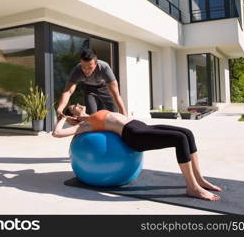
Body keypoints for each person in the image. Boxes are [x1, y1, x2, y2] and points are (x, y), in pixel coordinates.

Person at [53, 104, 222, 201]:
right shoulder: (85, 125)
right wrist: (62, 119)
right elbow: (57, 134)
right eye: (73, 106)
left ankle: (199, 179)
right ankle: (192, 187)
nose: (77, 105)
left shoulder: (90, 116)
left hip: (140, 125)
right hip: (134, 135)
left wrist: (81, 115)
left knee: (187, 133)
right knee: (179, 140)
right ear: (72, 115)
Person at [56, 48, 127, 122]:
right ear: (81, 62)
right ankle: (93, 133)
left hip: (104, 88)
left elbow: (116, 95)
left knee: (114, 113)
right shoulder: (77, 70)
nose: (86, 70)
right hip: (89, 88)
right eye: (83, 67)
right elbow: (68, 92)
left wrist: (125, 116)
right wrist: (60, 109)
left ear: (96, 64)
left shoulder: (104, 67)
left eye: (90, 67)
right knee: (91, 116)